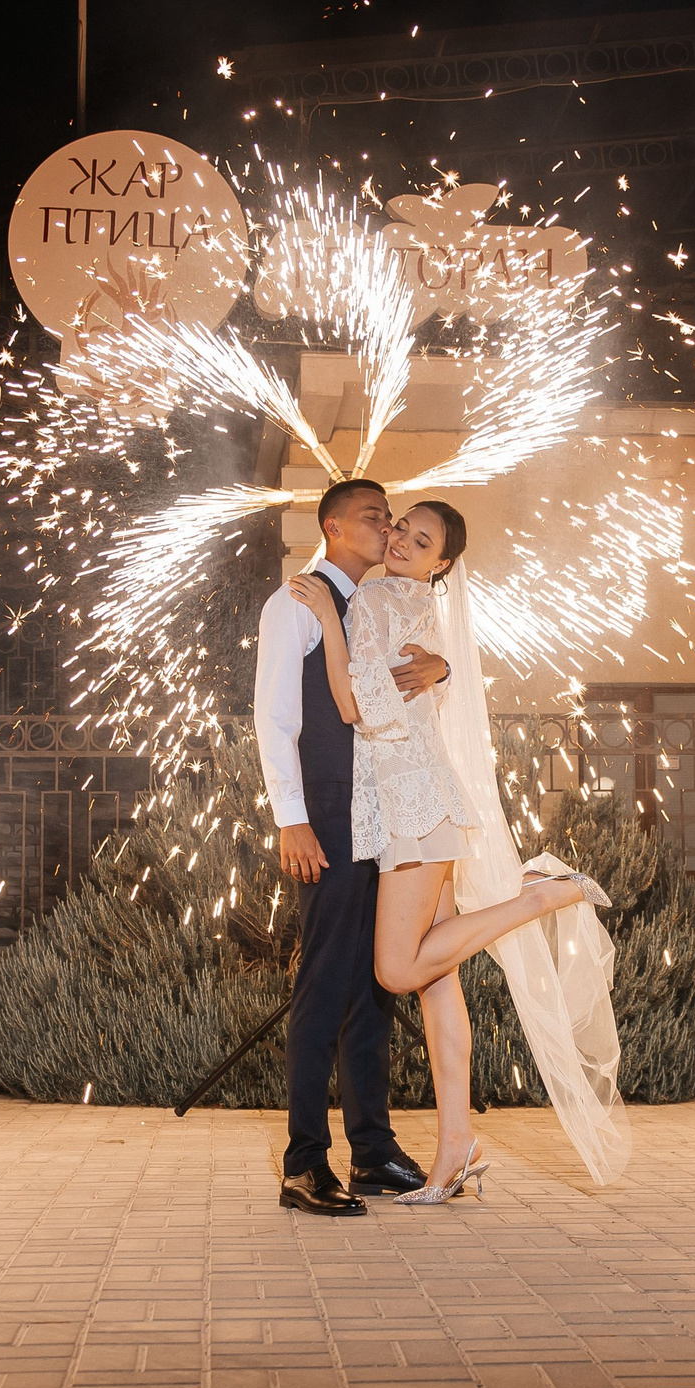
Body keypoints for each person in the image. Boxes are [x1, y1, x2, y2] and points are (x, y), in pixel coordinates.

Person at [287, 497, 629, 1205]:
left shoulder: (381, 597)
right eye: (401, 529)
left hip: (411, 807)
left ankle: (540, 895)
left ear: (442, 562)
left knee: (396, 966)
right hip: (419, 802)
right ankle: (455, 1144)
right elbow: (403, 691)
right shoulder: (415, 605)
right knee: (440, 981)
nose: (404, 540)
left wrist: (327, 618)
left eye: (422, 540)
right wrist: (435, 668)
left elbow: (359, 707)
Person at [253, 477, 446, 1215]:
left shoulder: (375, 602)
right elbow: (276, 718)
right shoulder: (296, 602)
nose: (385, 526)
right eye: (372, 516)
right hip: (328, 813)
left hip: (382, 815)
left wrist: (444, 665)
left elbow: (405, 680)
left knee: (374, 986)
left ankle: (372, 1150)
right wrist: (290, 816)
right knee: (326, 981)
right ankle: (304, 1162)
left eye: (389, 518)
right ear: (331, 525)